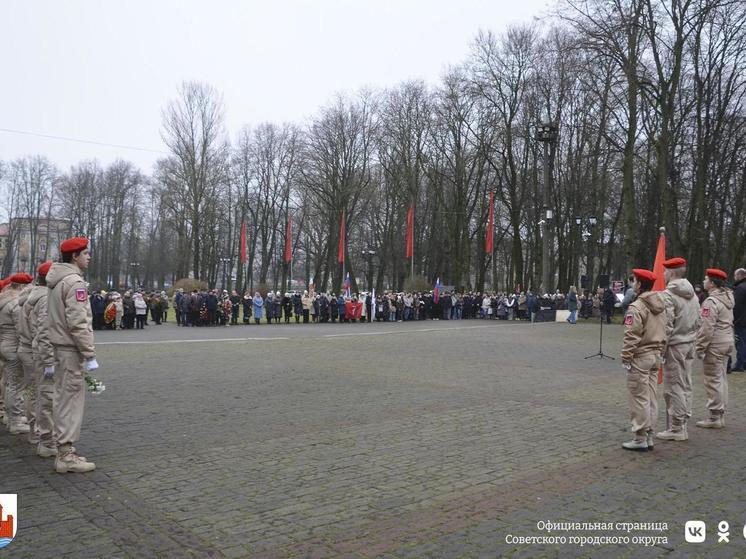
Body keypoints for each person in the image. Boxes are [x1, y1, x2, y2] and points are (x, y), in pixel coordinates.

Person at [46, 237, 98, 472]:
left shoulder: (57, 281)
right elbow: (78, 322)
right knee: (70, 401)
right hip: (69, 349)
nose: (88, 257)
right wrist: (89, 353)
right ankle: (66, 455)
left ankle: (63, 450)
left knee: (62, 398)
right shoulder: (74, 282)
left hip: (59, 347)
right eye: (85, 253)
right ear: (74, 256)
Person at [620, 269, 666, 451]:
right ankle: (648, 435)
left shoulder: (637, 307)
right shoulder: (660, 304)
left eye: (634, 282)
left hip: (641, 356)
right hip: (655, 355)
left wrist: (626, 356)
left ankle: (640, 437)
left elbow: (631, 335)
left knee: (639, 398)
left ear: (639, 284)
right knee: (651, 397)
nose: (632, 285)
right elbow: (666, 329)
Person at [656, 258, 700, 442]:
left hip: (675, 345)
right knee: (685, 383)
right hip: (689, 342)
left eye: (665, 272)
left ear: (672, 273)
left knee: (674, 386)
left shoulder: (669, 295)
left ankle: (677, 427)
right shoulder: (693, 295)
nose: (663, 275)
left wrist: (660, 349)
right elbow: (699, 321)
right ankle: (682, 421)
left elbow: (666, 324)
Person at [694, 268, 735, 429]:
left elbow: (706, 328)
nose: (704, 282)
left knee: (713, 380)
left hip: (715, 344)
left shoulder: (711, 302)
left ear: (712, 283)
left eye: (706, 279)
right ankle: (720, 412)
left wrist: (700, 347)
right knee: (721, 378)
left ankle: (714, 416)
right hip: (727, 341)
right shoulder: (728, 298)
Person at [27, 262, 57, 457]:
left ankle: (41, 434)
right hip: (44, 354)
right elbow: (45, 332)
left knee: (40, 394)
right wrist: (49, 361)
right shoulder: (46, 298)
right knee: (47, 397)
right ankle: (47, 441)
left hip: (35, 350)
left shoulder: (36, 297)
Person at [0, 273, 35, 435]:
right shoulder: (15, 303)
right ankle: (15, 420)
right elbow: (21, 328)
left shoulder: (4, 300)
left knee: (8, 383)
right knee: (15, 384)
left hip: (5, 345)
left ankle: (9, 415)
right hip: (14, 346)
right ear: (21, 286)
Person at [732, 268, 746, 372]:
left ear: (740, 276)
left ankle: (739, 364)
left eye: (735, 275)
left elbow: (736, 306)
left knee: (740, 342)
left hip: (741, 321)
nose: (734, 277)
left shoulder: (740, 288)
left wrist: (734, 320)